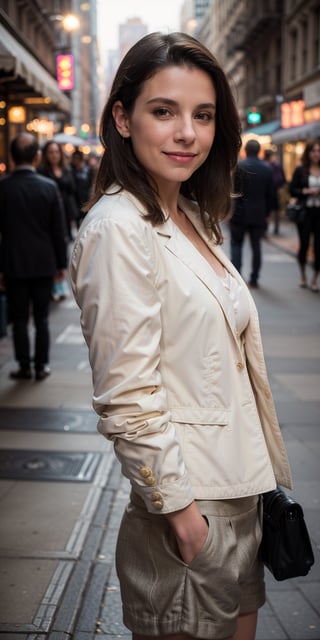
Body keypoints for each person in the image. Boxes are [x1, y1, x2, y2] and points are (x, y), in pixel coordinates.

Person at [70, 32, 292, 640]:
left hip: (240, 492)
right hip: (191, 506)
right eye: (163, 111)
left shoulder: (192, 214)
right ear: (122, 117)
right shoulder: (119, 229)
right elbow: (126, 391)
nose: (187, 133)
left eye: (202, 115)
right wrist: (179, 509)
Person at [0, 132, 67, 380]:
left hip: (14, 263)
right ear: (38, 156)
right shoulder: (49, 188)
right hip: (43, 262)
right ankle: (41, 366)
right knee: (41, 318)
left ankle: (24, 365)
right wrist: (61, 265)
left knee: (18, 319)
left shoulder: (4, 187)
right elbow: (57, 231)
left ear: (11, 157)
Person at [229, 138, 274, 288]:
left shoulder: (240, 167)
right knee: (256, 246)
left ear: (246, 151)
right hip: (259, 214)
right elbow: (271, 195)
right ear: (259, 151)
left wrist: (229, 212)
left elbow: (234, 192)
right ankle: (254, 278)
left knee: (237, 244)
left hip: (240, 212)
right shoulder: (267, 169)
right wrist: (268, 214)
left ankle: (237, 277)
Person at [289, 137, 320, 292]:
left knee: (318, 247)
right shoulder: (301, 170)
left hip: (319, 213)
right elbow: (292, 189)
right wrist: (305, 191)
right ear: (308, 153)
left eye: (318, 151)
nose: (316, 154)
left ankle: (315, 278)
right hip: (305, 213)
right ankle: (303, 276)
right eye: (313, 151)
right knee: (305, 244)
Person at [39, 139, 78, 241]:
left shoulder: (67, 170)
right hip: (49, 210)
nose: (54, 155)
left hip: (66, 210)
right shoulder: (42, 172)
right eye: (51, 152)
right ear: (46, 155)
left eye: (56, 152)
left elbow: (72, 190)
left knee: (66, 239)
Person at [263, 149, 286, 235]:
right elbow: (283, 180)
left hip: (269, 193)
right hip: (275, 192)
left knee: (269, 211)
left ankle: (268, 228)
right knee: (275, 211)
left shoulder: (266, 165)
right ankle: (274, 228)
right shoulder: (277, 166)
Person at [70, 149, 94, 228]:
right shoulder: (71, 170)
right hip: (75, 199)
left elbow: (90, 183)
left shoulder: (87, 170)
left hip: (85, 198)